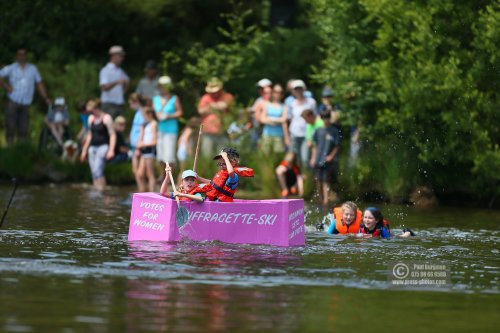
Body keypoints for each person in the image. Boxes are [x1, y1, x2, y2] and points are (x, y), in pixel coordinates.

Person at [0, 48, 51, 144]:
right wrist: (7, 87)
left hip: (26, 101)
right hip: (13, 99)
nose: (21, 57)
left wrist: (45, 98)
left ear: (26, 56)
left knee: (23, 127)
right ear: (17, 56)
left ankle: (22, 148)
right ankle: (9, 147)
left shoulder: (33, 69)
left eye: (23, 55)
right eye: (20, 55)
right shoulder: (11, 68)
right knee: (10, 125)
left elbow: (39, 83)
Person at [80, 99, 116, 191]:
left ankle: (102, 192)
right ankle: (96, 192)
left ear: (96, 108)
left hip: (103, 147)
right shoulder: (91, 118)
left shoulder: (106, 118)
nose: (90, 113)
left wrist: (111, 150)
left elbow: (112, 135)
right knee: (94, 173)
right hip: (92, 148)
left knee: (98, 171)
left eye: (91, 111)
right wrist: (84, 151)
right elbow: (89, 135)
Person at [153, 75, 183, 180]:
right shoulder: (156, 99)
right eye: (160, 86)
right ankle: (162, 175)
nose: (162, 88)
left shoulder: (174, 98)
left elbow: (180, 112)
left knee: (169, 155)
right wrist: (159, 116)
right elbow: (155, 113)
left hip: (171, 130)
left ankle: (168, 177)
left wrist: (168, 116)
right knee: (160, 154)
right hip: (160, 130)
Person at [310, 110, 341, 206]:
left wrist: (331, 156)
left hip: (328, 161)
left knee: (325, 180)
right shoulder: (318, 130)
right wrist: (313, 157)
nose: (325, 120)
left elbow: (337, 145)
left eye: (327, 118)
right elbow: (315, 145)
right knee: (318, 180)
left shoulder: (334, 131)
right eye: (324, 118)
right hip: (318, 159)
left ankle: (326, 202)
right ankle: (321, 199)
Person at [197, 77, 234, 156]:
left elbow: (224, 106)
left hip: (223, 133)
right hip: (207, 133)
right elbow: (200, 111)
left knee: (223, 157)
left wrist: (209, 106)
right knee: (207, 156)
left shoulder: (227, 96)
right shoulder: (205, 97)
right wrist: (215, 106)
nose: (214, 93)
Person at [288, 79, 317, 167]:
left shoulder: (311, 102)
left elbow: (315, 117)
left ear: (303, 89)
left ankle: (308, 178)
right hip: (294, 133)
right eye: (296, 89)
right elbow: (290, 119)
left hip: (306, 134)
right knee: (296, 158)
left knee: (305, 158)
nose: (298, 91)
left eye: (300, 89)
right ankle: (300, 178)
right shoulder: (292, 103)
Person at [99, 45, 129, 118]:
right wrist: (116, 82)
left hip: (119, 103)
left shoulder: (120, 71)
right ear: (113, 56)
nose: (122, 58)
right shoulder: (106, 70)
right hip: (109, 104)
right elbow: (104, 87)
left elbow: (127, 82)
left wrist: (124, 90)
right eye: (120, 56)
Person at [259, 84, 289, 154]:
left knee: (277, 155)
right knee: (265, 154)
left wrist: (269, 119)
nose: (278, 94)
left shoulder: (284, 106)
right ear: (272, 93)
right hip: (267, 134)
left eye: (280, 92)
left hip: (279, 135)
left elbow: (284, 120)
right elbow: (262, 119)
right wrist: (277, 120)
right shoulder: (267, 104)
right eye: (276, 92)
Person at [135, 107, 158, 192]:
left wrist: (143, 144)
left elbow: (155, 141)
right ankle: (142, 191)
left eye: (144, 115)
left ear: (150, 114)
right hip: (144, 150)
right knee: (139, 174)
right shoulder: (146, 124)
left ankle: (152, 194)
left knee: (150, 174)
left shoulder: (154, 124)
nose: (143, 117)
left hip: (150, 150)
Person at [128, 93, 147, 187]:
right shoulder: (138, 113)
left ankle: (142, 190)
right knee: (135, 170)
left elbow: (142, 131)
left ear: (136, 102)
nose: (130, 105)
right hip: (134, 145)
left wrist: (139, 147)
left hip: (138, 145)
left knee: (139, 172)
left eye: (131, 103)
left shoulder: (142, 113)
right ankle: (141, 190)